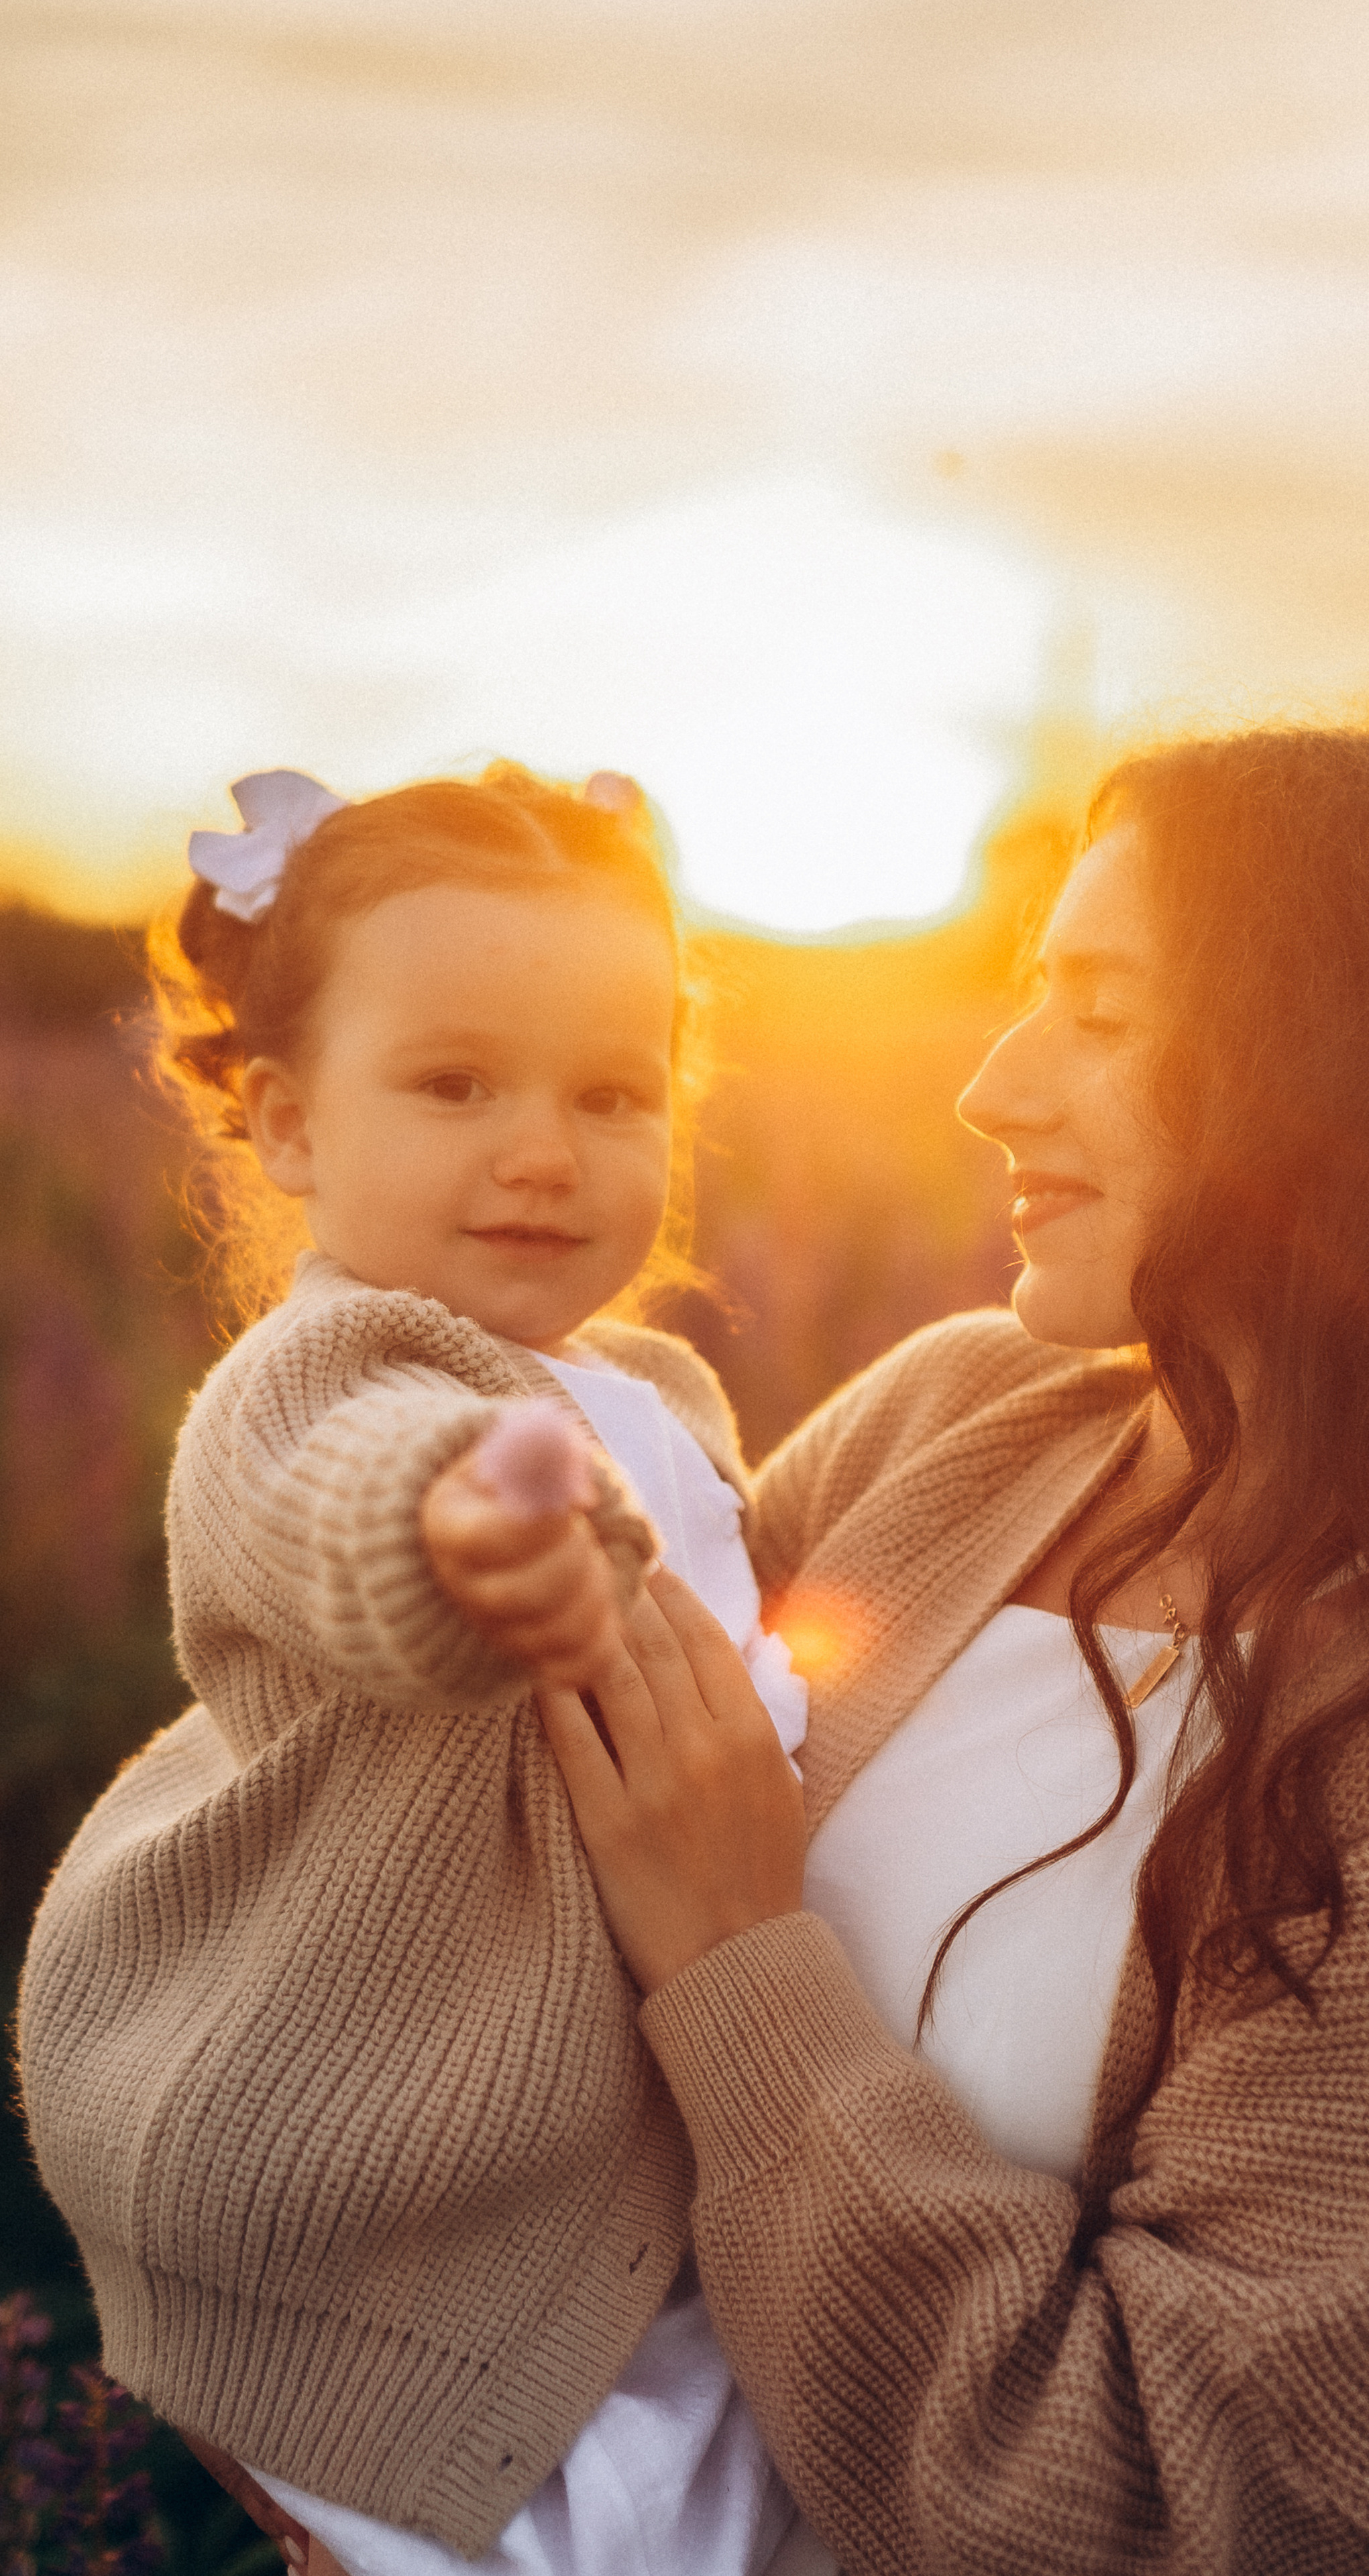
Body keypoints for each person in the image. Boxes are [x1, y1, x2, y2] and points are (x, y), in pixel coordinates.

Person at [541, 725, 1369, 2573]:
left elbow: (1164, 2501)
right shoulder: (959, 1425)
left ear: (1364, 1081)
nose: (994, 1092)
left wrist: (734, 1952)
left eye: (1099, 1014)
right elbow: (519, 1830)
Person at [18, 763, 812, 2576]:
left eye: (614, 1093)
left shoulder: (666, 1398)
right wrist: (468, 1535)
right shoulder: (326, 1376)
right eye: (455, 1085)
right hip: (382, 2201)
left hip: (609, 2184)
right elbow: (340, 1504)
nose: (543, 1147)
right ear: (288, 1126)